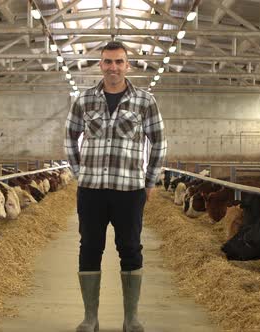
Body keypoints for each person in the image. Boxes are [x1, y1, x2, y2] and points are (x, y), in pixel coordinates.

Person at [64, 41, 167, 332]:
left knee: (131, 248)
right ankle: (90, 318)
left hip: (129, 190)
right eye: (108, 62)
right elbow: (70, 137)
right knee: (89, 248)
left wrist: (150, 181)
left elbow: (159, 141)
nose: (113, 68)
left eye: (119, 62)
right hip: (92, 190)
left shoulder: (145, 101)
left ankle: (130, 318)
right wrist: (78, 172)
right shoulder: (84, 100)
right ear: (100, 64)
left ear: (128, 65)